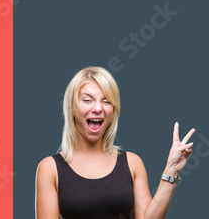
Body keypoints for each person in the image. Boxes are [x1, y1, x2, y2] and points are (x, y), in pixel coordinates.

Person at [35, 66, 195, 219]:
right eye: (87, 100)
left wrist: (171, 171)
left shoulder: (133, 163)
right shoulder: (50, 168)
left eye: (106, 101)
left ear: (113, 111)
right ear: (71, 108)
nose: (97, 108)